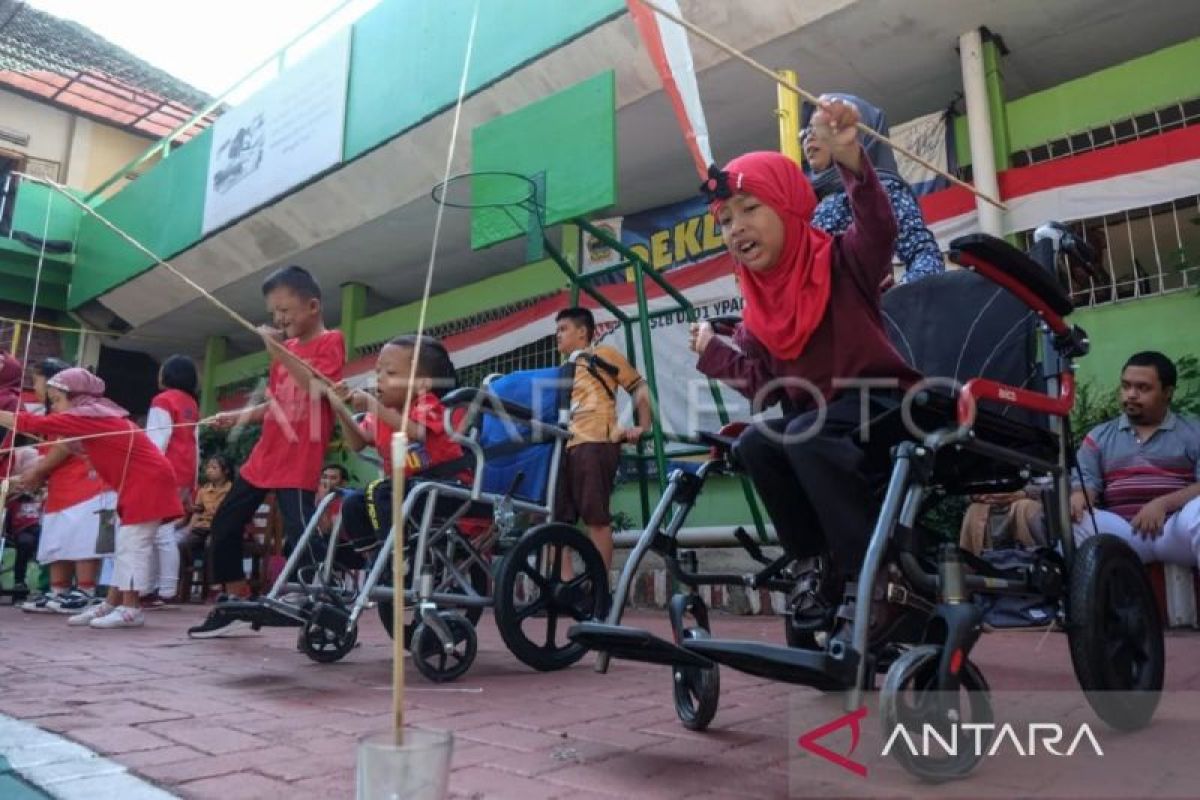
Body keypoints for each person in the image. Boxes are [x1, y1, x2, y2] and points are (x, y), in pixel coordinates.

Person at [690, 97, 921, 641]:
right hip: (817, 423)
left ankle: (875, 575)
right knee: (756, 443)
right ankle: (813, 564)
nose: (736, 228)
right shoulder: (757, 308)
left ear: (789, 206)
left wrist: (852, 162)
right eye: (725, 220)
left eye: (750, 208)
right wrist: (713, 353)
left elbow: (879, 229)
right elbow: (767, 388)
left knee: (806, 434)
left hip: (883, 405)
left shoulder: (841, 260)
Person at [189, 265, 345, 638]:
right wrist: (238, 416)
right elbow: (277, 403)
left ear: (313, 306)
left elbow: (313, 386)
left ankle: (332, 609)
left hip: (300, 455)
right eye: (274, 312)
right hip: (265, 455)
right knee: (224, 524)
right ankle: (235, 599)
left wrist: (275, 348)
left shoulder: (331, 341)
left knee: (301, 533)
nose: (278, 319)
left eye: (285, 310)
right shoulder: (285, 349)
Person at [0, 368, 184, 628]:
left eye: (57, 400)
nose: (55, 407)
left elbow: (34, 424)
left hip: (146, 483)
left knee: (132, 546)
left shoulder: (88, 415)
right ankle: (112, 604)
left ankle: (131, 609)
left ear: (75, 396)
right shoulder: (95, 415)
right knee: (125, 546)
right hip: (139, 482)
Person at [330, 335, 466, 553]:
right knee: (353, 503)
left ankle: (395, 557)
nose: (379, 379)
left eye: (391, 373)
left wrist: (373, 406)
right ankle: (376, 559)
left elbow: (417, 432)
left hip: (445, 487)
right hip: (404, 491)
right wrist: (340, 409)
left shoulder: (427, 404)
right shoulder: (383, 414)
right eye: (378, 372)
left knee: (380, 491)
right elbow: (358, 443)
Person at [1072, 351, 1200, 565]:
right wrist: (1079, 497)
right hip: (1123, 532)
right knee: (1074, 522)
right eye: (1126, 386)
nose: (1131, 394)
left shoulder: (1194, 433)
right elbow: (1087, 483)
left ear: (1168, 393)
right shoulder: (1099, 437)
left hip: (1174, 531)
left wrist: (1163, 504)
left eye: (1143, 388)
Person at [801, 93, 944, 286]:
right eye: (807, 130)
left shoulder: (882, 190)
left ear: (858, 132)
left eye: (821, 128)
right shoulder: (807, 197)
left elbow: (926, 256)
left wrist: (894, 298)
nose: (809, 136)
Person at [554, 307, 653, 571]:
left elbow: (639, 386)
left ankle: (598, 587)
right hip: (563, 446)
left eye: (563, 329)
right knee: (555, 521)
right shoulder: (563, 369)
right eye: (557, 330)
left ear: (582, 332)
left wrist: (642, 427)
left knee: (596, 518)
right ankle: (564, 587)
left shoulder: (602, 354)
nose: (558, 335)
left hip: (595, 443)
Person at [18, 358, 110, 614]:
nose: (36, 387)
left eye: (37, 381)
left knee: (83, 540)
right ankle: (59, 591)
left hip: (86, 485)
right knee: (57, 539)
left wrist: (38, 471)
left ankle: (85, 591)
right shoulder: (54, 414)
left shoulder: (78, 412)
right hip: (61, 487)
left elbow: (65, 445)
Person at [143, 354, 200, 606]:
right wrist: (193, 483)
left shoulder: (163, 400)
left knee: (157, 532)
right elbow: (195, 443)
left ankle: (159, 589)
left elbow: (156, 441)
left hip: (163, 472)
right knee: (163, 531)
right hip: (183, 474)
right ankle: (162, 588)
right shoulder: (191, 404)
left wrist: (145, 473)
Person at [315, 463, 350, 536]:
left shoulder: (345, 503)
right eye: (324, 477)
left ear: (343, 483)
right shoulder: (312, 497)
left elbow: (326, 531)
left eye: (333, 478)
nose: (327, 481)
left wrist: (322, 501)